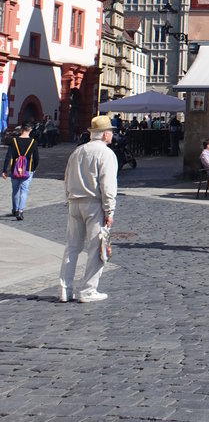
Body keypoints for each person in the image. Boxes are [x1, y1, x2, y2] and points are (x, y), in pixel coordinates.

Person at [58, 114, 118, 303]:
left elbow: (67, 177)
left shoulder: (78, 151)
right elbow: (107, 185)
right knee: (96, 248)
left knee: (72, 248)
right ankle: (88, 290)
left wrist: (68, 199)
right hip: (93, 203)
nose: (112, 135)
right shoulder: (106, 154)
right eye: (110, 131)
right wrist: (110, 211)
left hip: (75, 202)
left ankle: (65, 289)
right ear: (105, 134)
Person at [3, 122, 39, 220]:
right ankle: (20, 211)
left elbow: (8, 156)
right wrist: (34, 168)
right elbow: (36, 157)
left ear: (21, 129)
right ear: (30, 130)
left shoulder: (14, 141)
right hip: (27, 169)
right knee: (24, 190)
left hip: (15, 169)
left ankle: (14, 210)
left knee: (15, 190)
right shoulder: (33, 142)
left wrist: (4, 170)